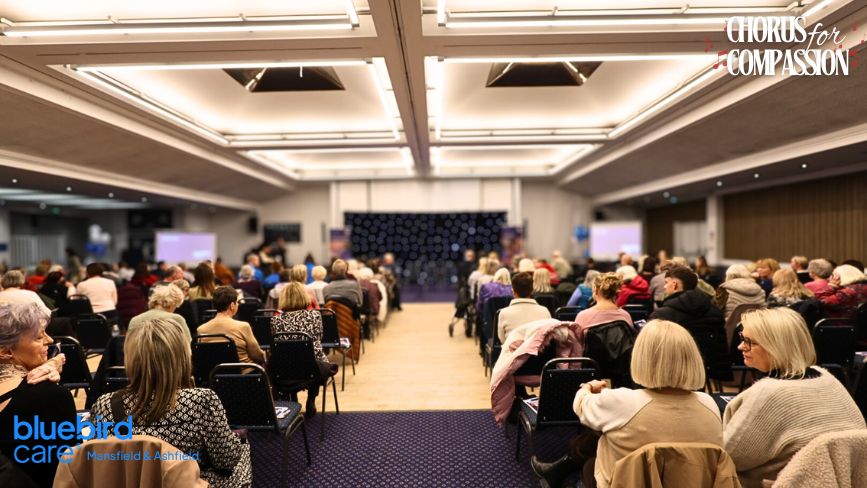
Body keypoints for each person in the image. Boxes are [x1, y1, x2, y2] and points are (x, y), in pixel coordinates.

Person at [532, 320, 722, 488]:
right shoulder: (709, 404)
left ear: (641, 357)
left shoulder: (622, 402)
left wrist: (588, 387)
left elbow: (580, 405)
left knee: (591, 460)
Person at [91, 318, 252, 488]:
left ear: (129, 358)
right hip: (190, 483)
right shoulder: (202, 400)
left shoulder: (105, 404)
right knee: (242, 450)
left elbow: (101, 464)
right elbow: (226, 461)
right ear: (182, 357)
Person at [723, 308, 865, 487]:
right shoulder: (828, 378)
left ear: (775, 346)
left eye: (749, 342)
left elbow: (728, 454)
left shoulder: (768, 393)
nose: (740, 347)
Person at [0, 303, 75, 487]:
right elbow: (66, 472)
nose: (50, 340)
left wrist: (52, 364)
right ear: (6, 352)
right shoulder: (50, 396)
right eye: (39, 337)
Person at [271, 282, 338, 417]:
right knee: (317, 360)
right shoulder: (314, 316)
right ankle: (311, 398)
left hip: (285, 368)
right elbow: (319, 338)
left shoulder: (275, 320)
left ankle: (292, 398)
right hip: (312, 368)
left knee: (289, 360)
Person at [651, 265, 728, 381]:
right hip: (704, 371)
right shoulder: (714, 312)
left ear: (675, 285)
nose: (665, 287)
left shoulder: (662, 315)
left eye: (666, 282)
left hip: (669, 373)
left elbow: (651, 348)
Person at [197, 287, 265, 365]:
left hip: (214, 371)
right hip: (244, 371)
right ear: (232, 305)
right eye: (237, 302)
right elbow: (257, 356)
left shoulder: (201, 330)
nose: (238, 305)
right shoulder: (243, 326)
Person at [574, 273, 632, 355]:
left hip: (592, 362)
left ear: (596, 290)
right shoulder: (625, 316)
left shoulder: (583, 316)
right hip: (621, 362)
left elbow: (577, 347)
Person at [497, 272, 551, 342]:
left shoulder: (503, 313)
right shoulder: (544, 311)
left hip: (513, 349)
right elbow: (548, 337)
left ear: (513, 292)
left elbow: (502, 340)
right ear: (532, 291)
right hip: (538, 349)